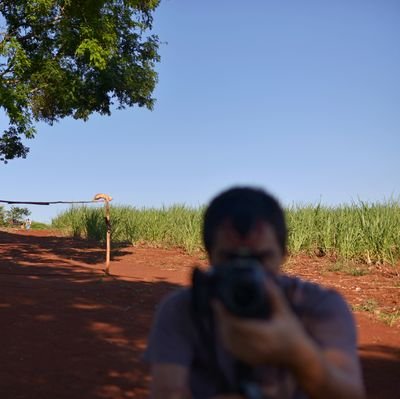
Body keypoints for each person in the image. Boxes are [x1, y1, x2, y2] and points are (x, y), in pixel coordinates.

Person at [144, 187, 365, 399]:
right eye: (231, 259)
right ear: (210, 256)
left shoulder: (319, 307)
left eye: (260, 259)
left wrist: (297, 352)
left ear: (283, 254)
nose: (246, 271)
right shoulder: (183, 309)